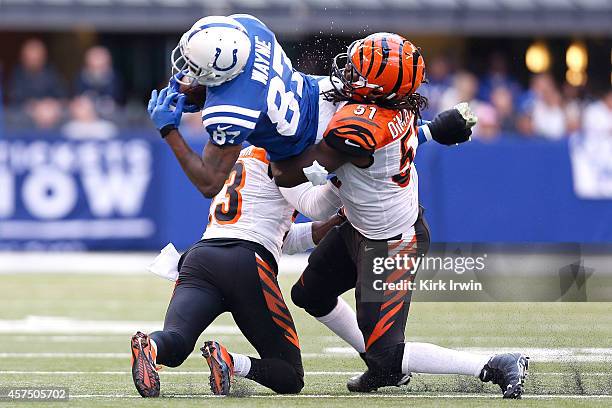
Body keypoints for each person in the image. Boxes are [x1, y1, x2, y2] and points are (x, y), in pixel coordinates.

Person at [279, 33, 528, 399]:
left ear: (377, 88)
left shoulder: (358, 130)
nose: (349, 71)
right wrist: (430, 131)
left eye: (359, 69)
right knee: (311, 293)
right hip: (362, 225)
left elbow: (301, 187)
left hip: (390, 244)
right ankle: (380, 367)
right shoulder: (400, 103)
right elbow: (386, 135)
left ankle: (494, 363)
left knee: (388, 355)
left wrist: (267, 148)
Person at [147, 14, 469, 197]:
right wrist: (195, 94)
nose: (187, 70)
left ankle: (428, 132)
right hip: (317, 92)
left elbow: (210, 182)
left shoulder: (230, 112)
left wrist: (169, 130)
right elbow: (244, 87)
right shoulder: (250, 28)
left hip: (309, 145)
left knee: (305, 201)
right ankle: (430, 131)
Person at [130, 144, 343, 398]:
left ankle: (150, 346)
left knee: (175, 343)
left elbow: (282, 237)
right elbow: (317, 206)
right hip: (247, 263)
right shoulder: (283, 154)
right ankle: (231, 362)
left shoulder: (241, 156)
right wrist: (348, 183)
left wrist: (337, 220)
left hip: (201, 257)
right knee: (289, 375)